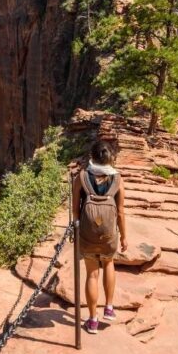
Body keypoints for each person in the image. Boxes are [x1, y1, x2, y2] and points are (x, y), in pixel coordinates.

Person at [72, 140, 127, 335]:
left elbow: (75, 211)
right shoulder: (118, 179)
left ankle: (93, 320)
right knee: (109, 263)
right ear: (110, 158)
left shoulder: (82, 177)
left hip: (87, 234)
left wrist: (76, 231)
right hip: (109, 234)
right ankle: (109, 307)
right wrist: (124, 238)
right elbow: (120, 212)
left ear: (92, 156)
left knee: (91, 274)